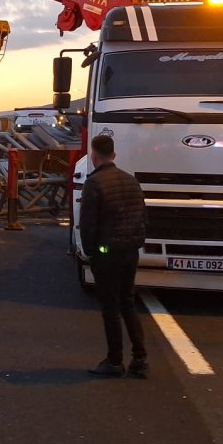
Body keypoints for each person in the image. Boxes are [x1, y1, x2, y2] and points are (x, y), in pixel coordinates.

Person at [80, 135, 149, 378]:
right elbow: (142, 217)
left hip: (106, 253)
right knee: (128, 302)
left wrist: (90, 252)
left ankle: (114, 360)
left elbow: (88, 224)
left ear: (93, 155)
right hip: (130, 251)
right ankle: (140, 358)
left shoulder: (95, 183)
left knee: (110, 307)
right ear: (114, 155)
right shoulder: (131, 181)